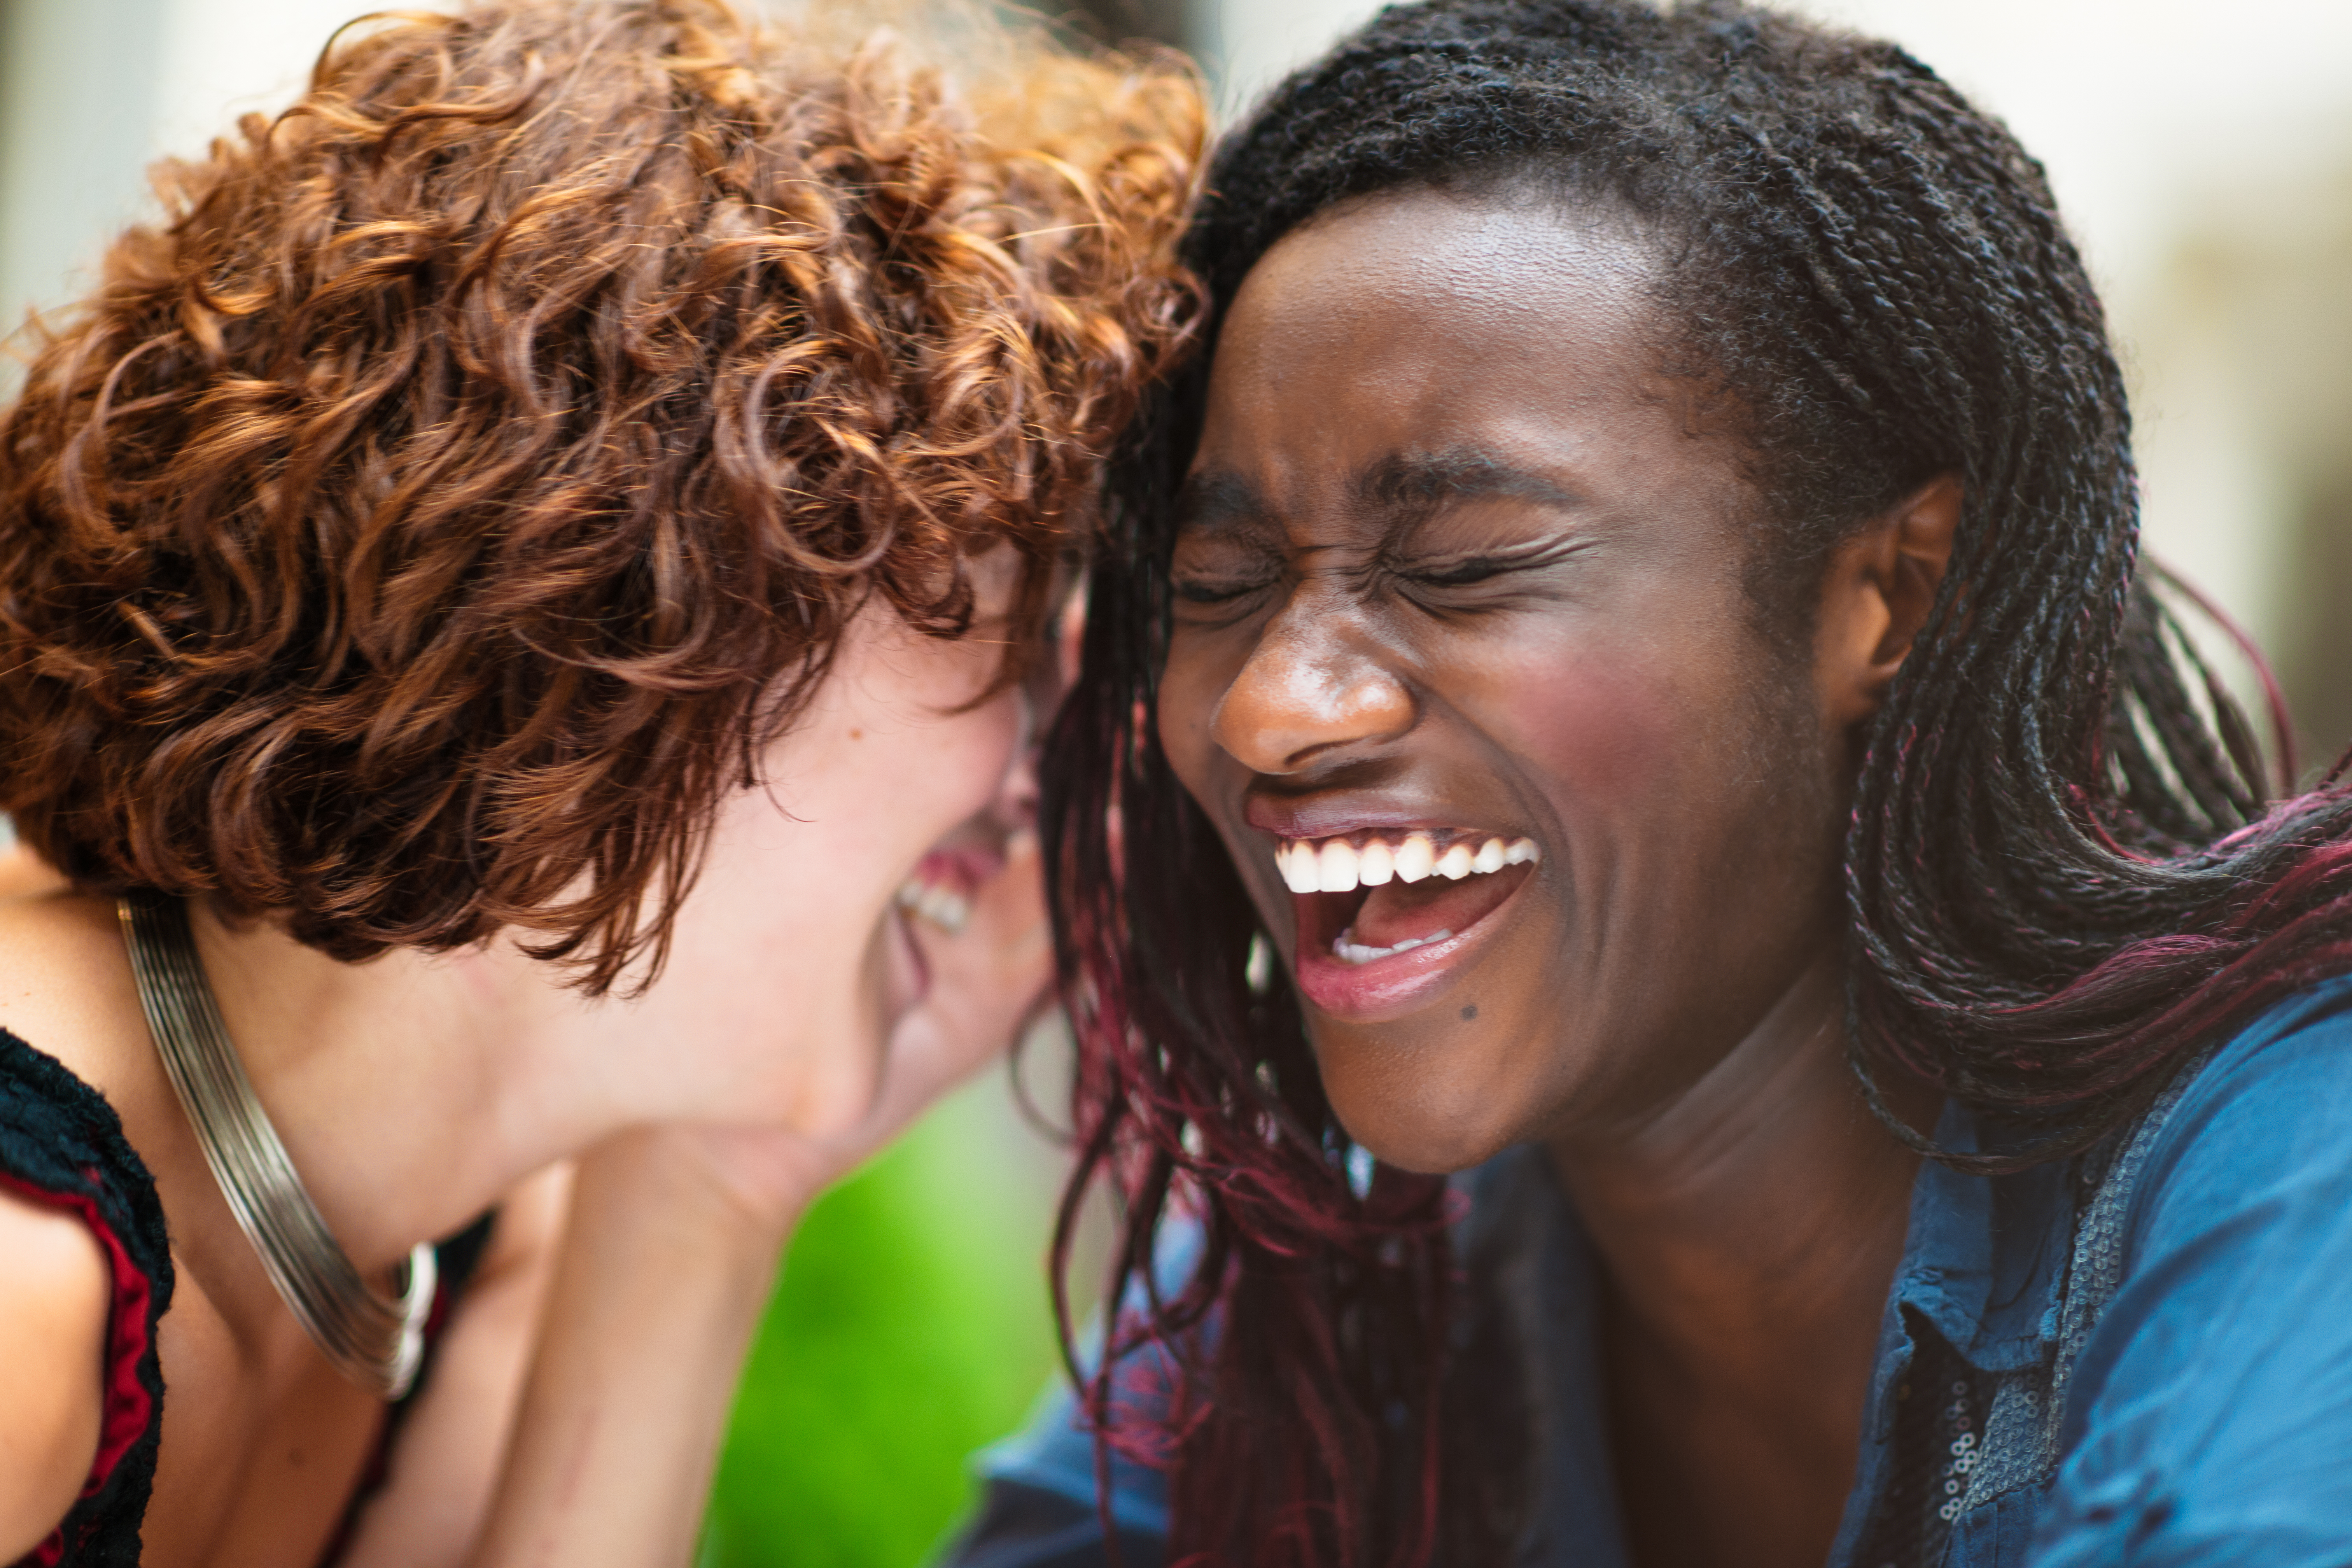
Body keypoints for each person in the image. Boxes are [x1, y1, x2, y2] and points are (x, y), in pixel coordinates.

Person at [948, 2, 2352, 1565]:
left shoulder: (2293, 1174)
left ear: (1891, 597)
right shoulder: (1339, 1305)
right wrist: (728, 1177)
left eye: (1463, 565)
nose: (1276, 709)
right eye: (1219, 580)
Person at [0, 2, 1199, 1563]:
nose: (1057, 739)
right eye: (1008, 603)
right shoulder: (24, 1284)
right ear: (632, 622)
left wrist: (723, 1188)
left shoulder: (446, 1227)